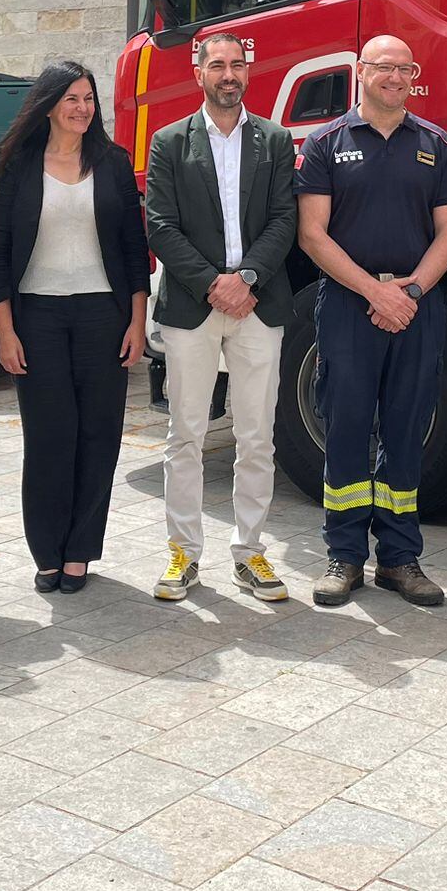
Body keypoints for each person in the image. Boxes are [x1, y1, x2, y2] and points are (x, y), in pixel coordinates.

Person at [295, 34, 447, 608]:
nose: (396, 77)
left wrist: (410, 291)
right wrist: (375, 291)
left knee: (406, 428)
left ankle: (399, 558)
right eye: (385, 67)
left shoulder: (436, 144)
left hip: (416, 306)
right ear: (361, 72)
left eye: (405, 69)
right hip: (349, 303)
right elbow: (312, 234)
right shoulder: (325, 143)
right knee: (345, 425)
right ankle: (343, 556)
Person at [143, 32, 295, 603]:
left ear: (247, 72)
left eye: (237, 65)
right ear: (198, 72)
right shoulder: (168, 141)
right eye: (217, 65)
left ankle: (251, 552)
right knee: (186, 433)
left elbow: (285, 218)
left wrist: (246, 279)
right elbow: (160, 224)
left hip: (259, 303)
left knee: (257, 436)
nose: (228, 75)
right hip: (193, 304)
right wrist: (213, 284)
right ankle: (183, 552)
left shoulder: (275, 140)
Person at [0, 61, 149, 593]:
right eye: (72, 99)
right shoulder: (20, 164)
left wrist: (136, 323)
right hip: (38, 316)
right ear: (49, 104)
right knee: (50, 436)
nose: (83, 109)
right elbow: (0, 251)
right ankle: (48, 552)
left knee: (98, 434)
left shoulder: (113, 161)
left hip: (104, 315)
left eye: (90, 98)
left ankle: (80, 550)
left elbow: (132, 249)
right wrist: (5, 332)